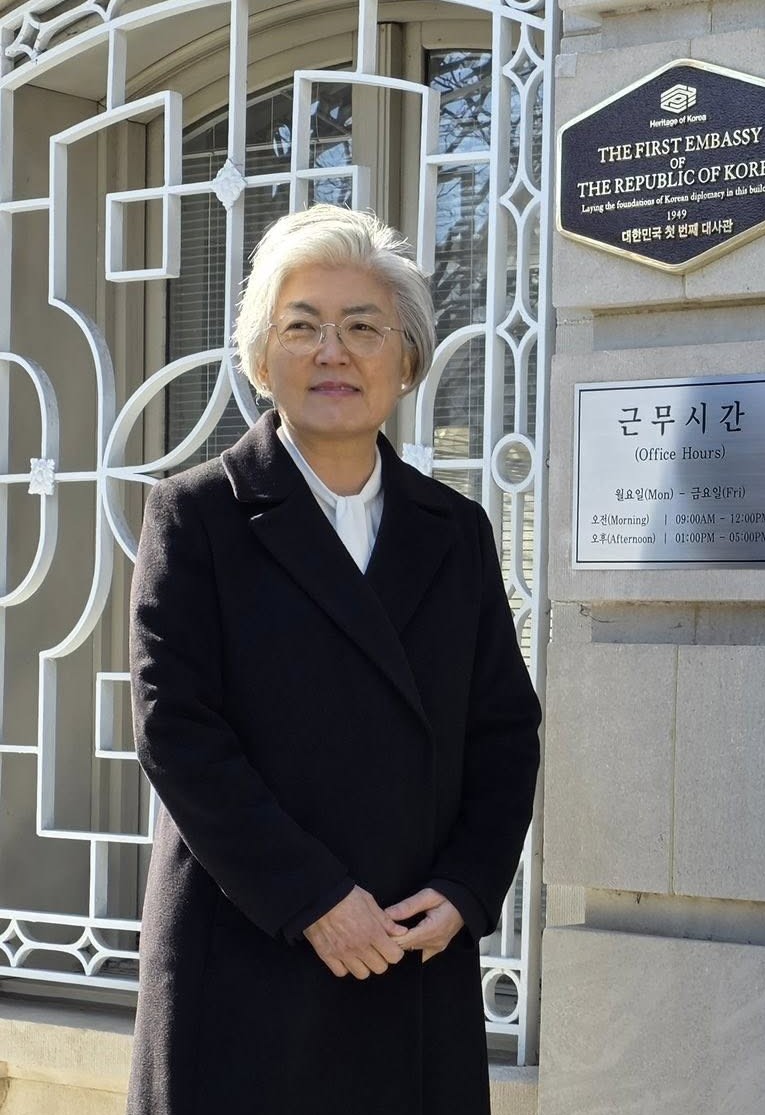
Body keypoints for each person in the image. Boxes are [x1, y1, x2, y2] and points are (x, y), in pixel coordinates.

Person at [126, 205, 542, 1115]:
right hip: (249, 949)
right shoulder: (198, 514)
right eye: (302, 326)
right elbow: (178, 732)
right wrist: (314, 896)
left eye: (363, 328)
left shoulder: (456, 530)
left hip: (409, 951)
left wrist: (466, 888)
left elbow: (505, 732)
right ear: (262, 359)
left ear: (406, 360)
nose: (333, 353)